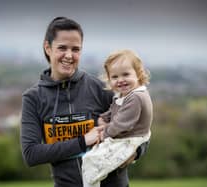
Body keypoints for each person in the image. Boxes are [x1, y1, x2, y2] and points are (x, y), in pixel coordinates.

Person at [21, 17, 149, 187]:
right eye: (62, 48)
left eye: (75, 49)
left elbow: (141, 126)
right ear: (47, 48)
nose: (69, 55)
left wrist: (137, 152)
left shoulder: (102, 88)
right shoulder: (33, 98)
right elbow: (32, 154)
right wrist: (82, 141)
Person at [82, 49, 153, 187]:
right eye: (115, 77)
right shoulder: (123, 95)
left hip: (130, 139)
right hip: (124, 137)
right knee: (93, 163)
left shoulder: (136, 97)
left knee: (92, 161)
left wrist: (103, 134)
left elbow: (122, 124)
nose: (120, 80)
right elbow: (113, 111)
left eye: (126, 74)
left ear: (138, 74)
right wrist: (103, 119)